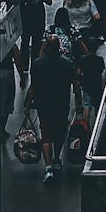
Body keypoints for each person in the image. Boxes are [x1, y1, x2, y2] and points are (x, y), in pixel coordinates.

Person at [25, 36, 82, 183]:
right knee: (59, 132)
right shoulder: (67, 64)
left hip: (44, 104)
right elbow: (76, 85)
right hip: (62, 104)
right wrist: (79, 103)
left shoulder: (38, 64)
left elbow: (33, 86)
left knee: (46, 134)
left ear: (46, 47)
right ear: (59, 47)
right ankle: (57, 158)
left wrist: (27, 104)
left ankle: (48, 167)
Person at [20, 0, 53, 69]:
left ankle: (24, 65)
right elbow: (49, 1)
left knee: (24, 40)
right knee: (36, 42)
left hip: (25, 14)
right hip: (38, 15)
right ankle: (35, 64)